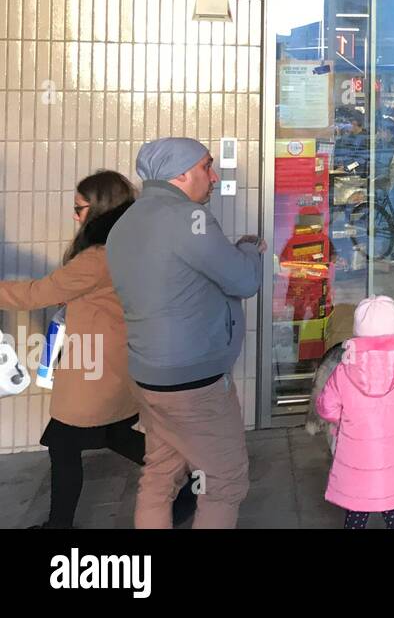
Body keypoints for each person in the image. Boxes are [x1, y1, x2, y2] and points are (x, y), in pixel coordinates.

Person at [0, 171, 197, 528]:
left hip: (95, 369)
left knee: (63, 443)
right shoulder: (135, 244)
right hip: (120, 361)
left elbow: (38, 294)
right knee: (114, 433)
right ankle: (189, 479)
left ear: (100, 209)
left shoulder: (97, 258)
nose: (74, 216)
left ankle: (58, 525)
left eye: (79, 209)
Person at [106, 138, 265, 529]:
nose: (213, 178)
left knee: (161, 471)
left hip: (150, 376)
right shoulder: (187, 218)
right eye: (206, 167)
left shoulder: (127, 221)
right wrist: (249, 250)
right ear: (179, 174)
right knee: (224, 481)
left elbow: (178, 273)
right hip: (194, 383)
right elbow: (243, 280)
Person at [315, 294, 394, 529]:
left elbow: (326, 407)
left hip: (357, 464)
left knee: (356, 515)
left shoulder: (344, 371)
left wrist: (347, 421)